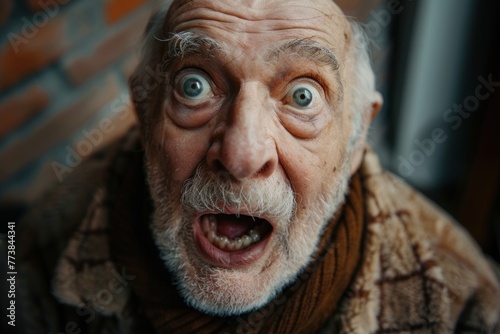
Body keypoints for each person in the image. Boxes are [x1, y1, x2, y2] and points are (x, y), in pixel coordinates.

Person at [18, 0, 500, 333]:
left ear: (356, 139)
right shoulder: (41, 243)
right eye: (194, 86)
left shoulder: (466, 306)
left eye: (302, 96)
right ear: (145, 113)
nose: (242, 155)